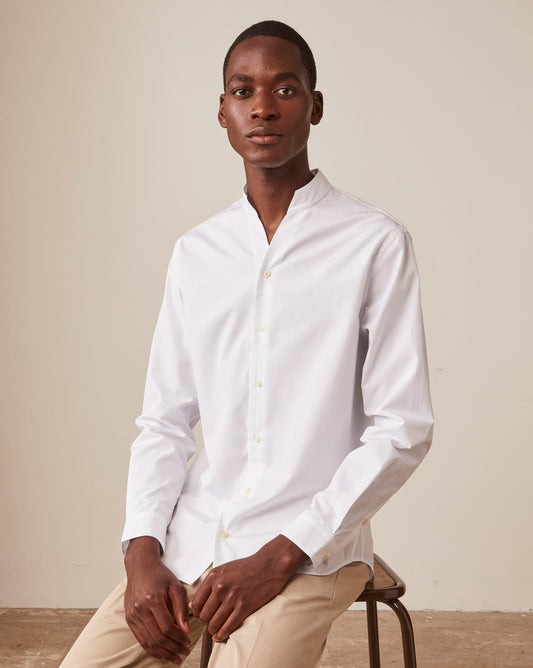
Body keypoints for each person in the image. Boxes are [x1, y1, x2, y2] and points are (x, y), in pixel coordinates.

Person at [60, 19, 433, 668]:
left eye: (284, 89)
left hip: (311, 553)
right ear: (223, 111)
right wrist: (141, 549)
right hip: (193, 543)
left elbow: (401, 428)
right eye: (243, 91)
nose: (262, 107)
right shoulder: (196, 253)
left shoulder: (374, 244)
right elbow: (164, 421)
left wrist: (281, 555)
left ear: (315, 106)